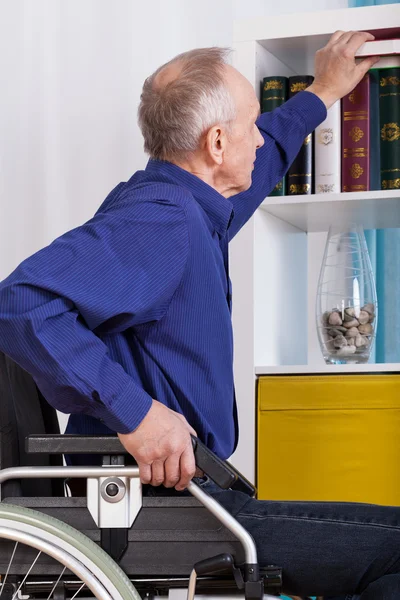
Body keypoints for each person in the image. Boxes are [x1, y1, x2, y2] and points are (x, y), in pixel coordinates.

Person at [0, 30, 399, 599]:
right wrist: (137, 413)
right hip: (157, 507)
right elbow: (20, 303)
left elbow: (259, 169)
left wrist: (322, 92)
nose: (260, 140)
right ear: (216, 142)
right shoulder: (162, 221)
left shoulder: (193, 209)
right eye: (250, 126)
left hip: (196, 494)